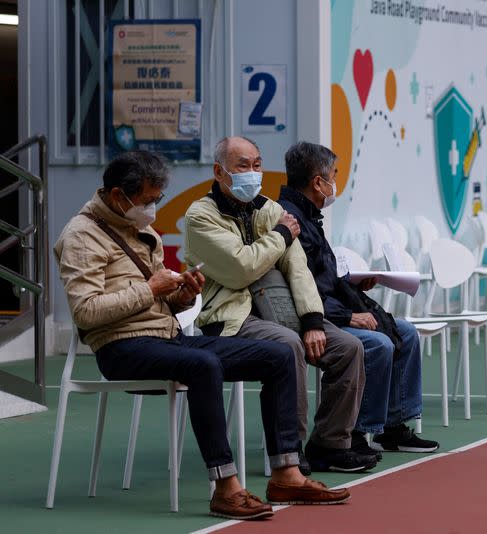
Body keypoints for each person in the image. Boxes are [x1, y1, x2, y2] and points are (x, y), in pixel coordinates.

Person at [53, 150, 349, 521]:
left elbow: (162, 300)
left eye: (157, 199)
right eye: (147, 200)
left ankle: (286, 471)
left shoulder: (142, 231)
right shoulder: (80, 236)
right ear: (117, 195)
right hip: (120, 346)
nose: (153, 207)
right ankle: (226, 486)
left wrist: (181, 295)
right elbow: (85, 312)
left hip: (166, 337)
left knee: (279, 354)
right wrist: (152, 290)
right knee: (203, 363)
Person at [184, 136, 376, 474]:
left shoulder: (269, 209)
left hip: (283, 309)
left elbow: (298, 268)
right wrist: (281, 236)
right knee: (288, 346)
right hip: (231, 318)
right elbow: (240, 267)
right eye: (242, 165)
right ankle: (290, 447)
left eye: (257, 164)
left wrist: (314, 322)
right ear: (219, 171)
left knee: (348, 347)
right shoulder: (201, 216)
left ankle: (330, 444)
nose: (253, 173)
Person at [278, 141, 440, 454]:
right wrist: (348, 316)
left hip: (328, 309)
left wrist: (353, 286)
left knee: (404, 332)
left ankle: (393, 426)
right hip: (311, 317)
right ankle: (356, 430)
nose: (335, 183)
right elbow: (300, 287)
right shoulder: (292, 221)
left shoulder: (309, 216)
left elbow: (322, 277)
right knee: (378, 343)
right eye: (333, 176)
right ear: (317, 182)